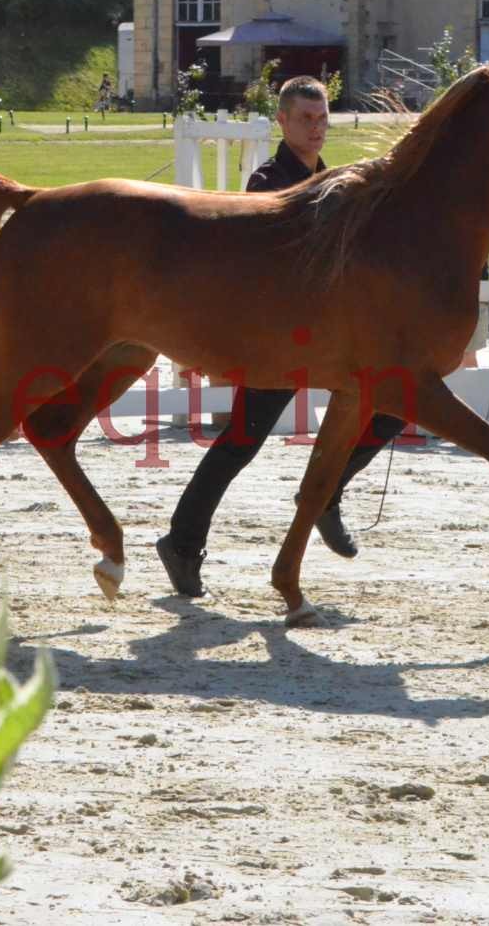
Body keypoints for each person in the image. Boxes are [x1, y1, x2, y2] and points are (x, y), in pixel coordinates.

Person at [156, 76, 409, 597]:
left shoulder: (338, 178)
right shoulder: (269, 181)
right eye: (305, 119)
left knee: (395, 404)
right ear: (283, 122)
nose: (316, 129)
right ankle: (182, 542)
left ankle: (329, 490)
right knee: (241, 442)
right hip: (280, 338)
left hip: (334, 339)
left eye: (322, 119)